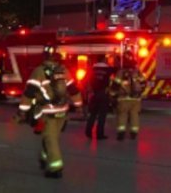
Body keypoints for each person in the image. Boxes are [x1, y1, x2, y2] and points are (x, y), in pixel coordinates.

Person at [14, 43, 82, 179]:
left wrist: (22, 111)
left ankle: (55, 168)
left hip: (47, 112)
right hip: (63, 111)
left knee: (50, 140)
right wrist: (79, 105)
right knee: (52, 137)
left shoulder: (38, 71)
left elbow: (29, 92)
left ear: (44, 56)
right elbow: (73, 89)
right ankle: (44, 158)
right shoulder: (64, 70)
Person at [110, 51, 147, 141]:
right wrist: (139, 93)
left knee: (122, 115)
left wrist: (112, 96)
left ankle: (121, 133)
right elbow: (144, 83)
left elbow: (115, 85)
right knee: (134, 115)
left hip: (123, 99)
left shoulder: (120, 72)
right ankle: (134, 132)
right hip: (136, 99)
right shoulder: (137, 72)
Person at [84, 55, 114, 140]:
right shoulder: (108, 69)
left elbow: (86, 79)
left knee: (93, 114)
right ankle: (99, 134)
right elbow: (118, 70)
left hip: (94, 94)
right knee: (102, 115)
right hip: (103, 94)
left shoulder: (91, 69)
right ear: (104, 60)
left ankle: (88, 132)